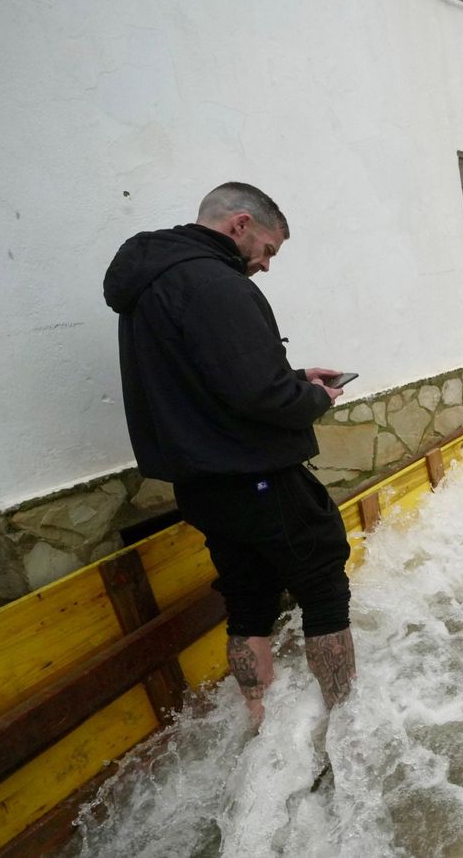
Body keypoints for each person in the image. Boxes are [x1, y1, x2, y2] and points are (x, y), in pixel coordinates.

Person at [103, 182, 355, 728]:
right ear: (240, 224)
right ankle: (346, 723)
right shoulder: (218, 285)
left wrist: (291, 376)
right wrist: (314, 396)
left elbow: (207, 382)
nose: (265, 265)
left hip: (202, 486)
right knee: (324, 586)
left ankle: (259, 719)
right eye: (267, 250)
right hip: (257, 477)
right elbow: (257, 394)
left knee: (247, 597)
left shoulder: (151, 286)